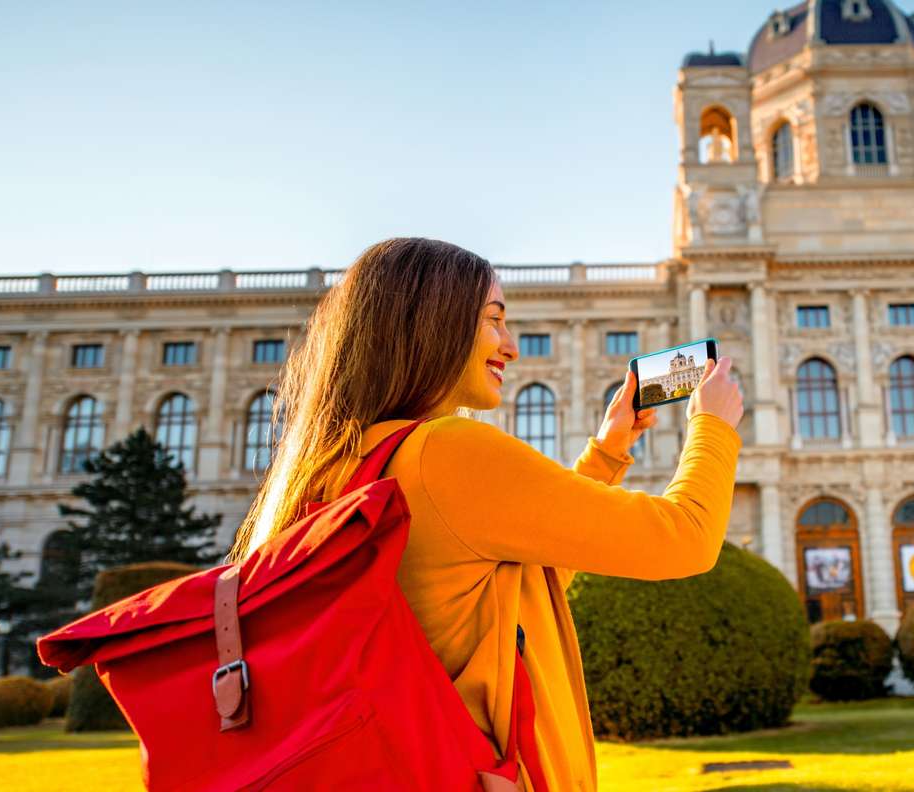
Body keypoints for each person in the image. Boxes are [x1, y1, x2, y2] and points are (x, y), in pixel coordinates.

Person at [230, 238, 744, 790]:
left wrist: (606, 452)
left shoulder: (336, 467)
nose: (512, 346)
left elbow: (519, 591)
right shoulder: (449, 452)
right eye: (494, 320)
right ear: (431, 325)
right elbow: (685, 539)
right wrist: (713, 426)